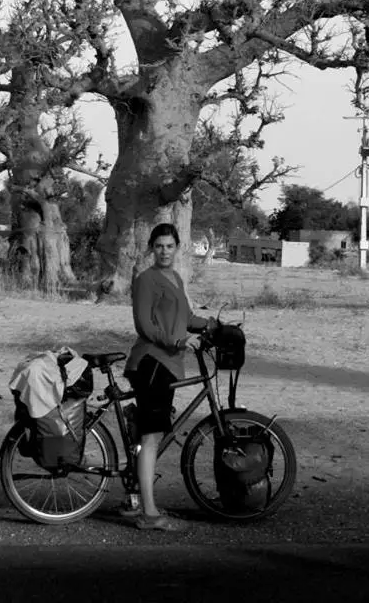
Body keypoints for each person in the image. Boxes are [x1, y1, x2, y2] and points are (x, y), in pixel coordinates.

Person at [124, 222, 213, 531]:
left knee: (149, 434)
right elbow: (144, 325)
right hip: (152, 362)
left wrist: (211, 325)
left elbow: (185, 318)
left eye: (169, 246)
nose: (164, 251)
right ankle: (149, 514)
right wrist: (175, 342)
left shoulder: (174, 277)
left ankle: (133, 497)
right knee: (151, 438)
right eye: (159, 246)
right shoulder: (146, 280)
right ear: (152, 248)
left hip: (168, 364)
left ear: (178, 248)